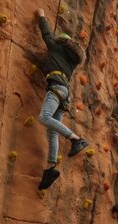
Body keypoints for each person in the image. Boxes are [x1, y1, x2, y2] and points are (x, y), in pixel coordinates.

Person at [35, 8, 88, 190]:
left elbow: (47, 34)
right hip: (65, 93)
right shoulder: (73, 60)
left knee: (44, 117)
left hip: (56, 88)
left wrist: (42, 17)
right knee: (52, 132)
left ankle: (75, 138)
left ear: (62, 41)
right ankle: (51, 168)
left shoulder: (56, 47)